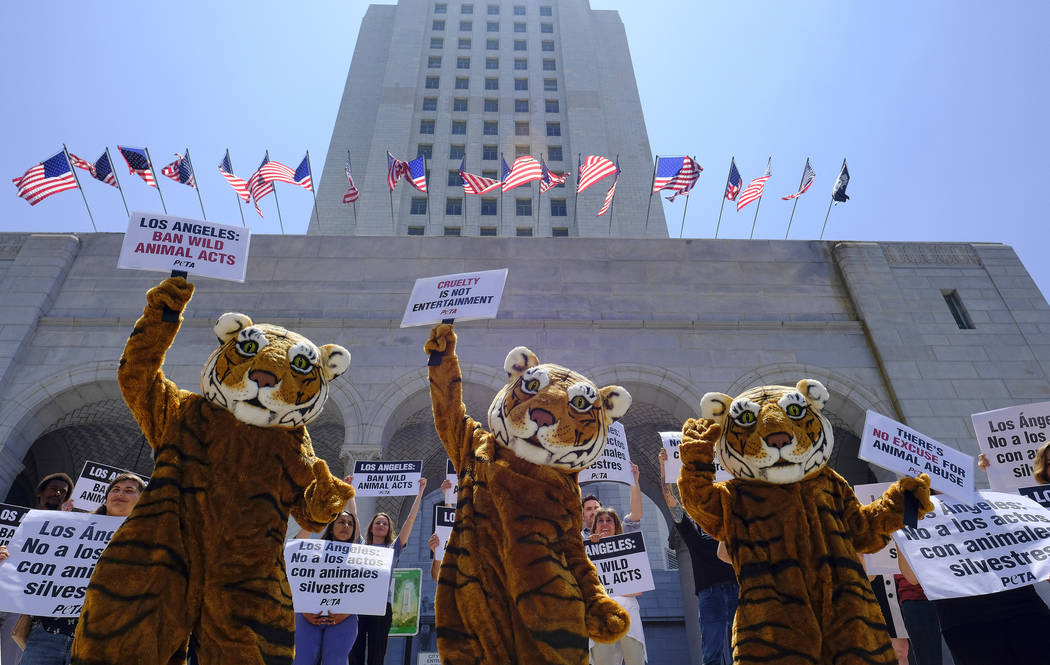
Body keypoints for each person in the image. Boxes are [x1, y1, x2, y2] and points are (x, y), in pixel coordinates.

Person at [658, 449, 738, 665]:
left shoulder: (731, 522)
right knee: (711, 653)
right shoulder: (691, 528)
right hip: (709, 595)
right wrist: (665, 468)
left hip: (737, 589)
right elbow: (670, 499)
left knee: (744, 647)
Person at [348, 477, 427, 665]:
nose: (381, 525)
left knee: (377, 653)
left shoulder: (394, 549)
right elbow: (354, 518)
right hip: (358, 604)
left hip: (382, 606)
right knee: (355, 651)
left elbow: (410, 519)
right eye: (378, 522)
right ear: (372, 527)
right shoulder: (360, 545)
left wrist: (420, 492)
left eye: (385, 523)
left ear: (389, 528)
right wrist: (350, 491)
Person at [7, 472, 77, 665]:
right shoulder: (17, 519)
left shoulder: (71, 527)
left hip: (26, 600)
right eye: (53, 489)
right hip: (5, 586)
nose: (57, 493)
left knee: (10, 654)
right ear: (40, 492)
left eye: (63, 492)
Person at [293, 510, 360, 665]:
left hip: (344, 619)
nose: (346, 526)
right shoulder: (312, 551)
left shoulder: (361, 556)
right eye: (341, 522)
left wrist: (344, 614)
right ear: (331, 526)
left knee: (335, 661)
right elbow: (294, 550)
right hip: (308, 616)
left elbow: (364, 589)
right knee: (302, 660)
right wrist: (306, 612)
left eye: (350, 523)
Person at [587, 506, 646, 665]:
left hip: (628, 616)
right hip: (600, 617)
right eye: (600, 521)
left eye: (609, 521)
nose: (605, 524)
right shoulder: (586, 551)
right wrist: (589, 547)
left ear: (616, 526)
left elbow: (638, 589)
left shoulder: (628, 548)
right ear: (594, 526)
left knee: (635, 661)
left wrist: (611, 590)